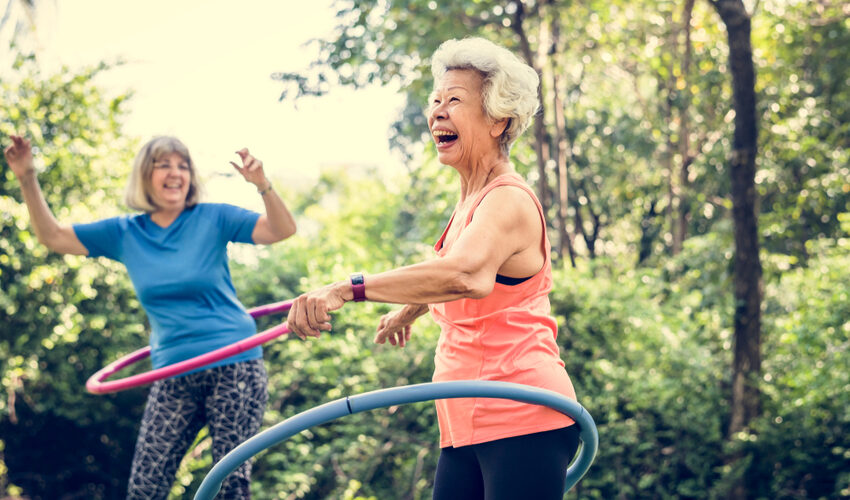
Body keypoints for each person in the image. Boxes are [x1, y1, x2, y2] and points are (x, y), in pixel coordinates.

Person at [285, 37, 580, 500]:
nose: (438, 112)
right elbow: (447, 270)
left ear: (499, 119)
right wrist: (411, 309)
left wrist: (348, 288)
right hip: (464, 421)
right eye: (436, 101)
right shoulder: (470, 203)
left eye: (455, 101)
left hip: (522, 413)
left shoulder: (507, 199)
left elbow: (466, 275)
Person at [3, 134, 296, 499]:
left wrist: (262, 186)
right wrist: (27, 176)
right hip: (173, 372)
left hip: (235, 365)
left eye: (183, 165)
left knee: (230, 487)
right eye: (164, 165)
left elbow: (281, 230)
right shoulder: (125, 233)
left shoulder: (214, 217)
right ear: (145, 175)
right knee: (145, 488)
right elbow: (52, 237)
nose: (176, 174)